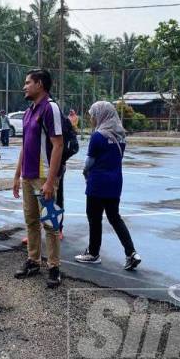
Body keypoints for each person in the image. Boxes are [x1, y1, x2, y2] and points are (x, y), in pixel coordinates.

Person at [74, 101, 141, 270]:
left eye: (93, 116)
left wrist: (84, 171)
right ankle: (131, 252)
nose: (91, 119)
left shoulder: (98, 136)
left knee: (94, 218)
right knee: (114, 217)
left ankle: (93, 253)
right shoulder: (121, 137)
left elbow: (90, 161)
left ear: (101, 115)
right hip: (115, 181)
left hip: (97, 183)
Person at [12, 69, 64, 288]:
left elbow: (58, 145)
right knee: (31, 220)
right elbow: (25, 146)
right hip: (28, 175)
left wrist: (51, 181)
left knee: (50, 224)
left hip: (44, 177)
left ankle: (54, 267)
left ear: (40, 84)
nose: (24, 86)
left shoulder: (50, 108)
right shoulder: (28, 112)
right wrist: (16, 175)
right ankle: (33, 260)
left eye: (28, 83)